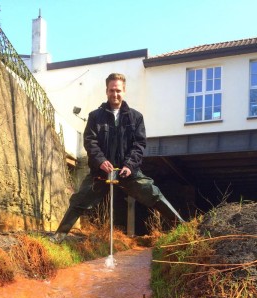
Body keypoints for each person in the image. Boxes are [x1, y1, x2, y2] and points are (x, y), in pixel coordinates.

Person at [51, 73, 184, 242]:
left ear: (124, 91)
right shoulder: (95, 116)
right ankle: (59, 236)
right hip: (100, 172)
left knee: (153, 193)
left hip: (127, 172)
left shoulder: (136, 117)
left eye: (118, 90)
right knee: (79, 200)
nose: (115, 94)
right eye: (112, 90)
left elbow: (139, 144)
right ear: (106, 91)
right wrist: (100, 161)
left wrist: (129, 165)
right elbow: (90, 142)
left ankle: (182, 227)